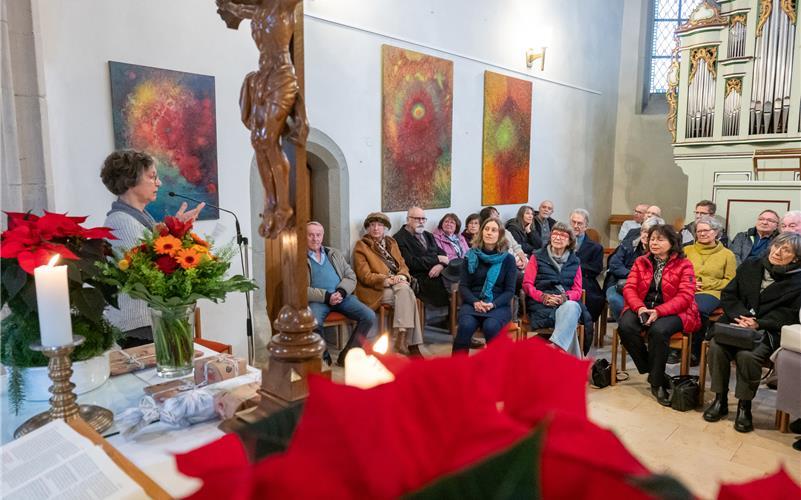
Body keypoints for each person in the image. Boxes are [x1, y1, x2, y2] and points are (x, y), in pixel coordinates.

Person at [216, 0, 308, 238]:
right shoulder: (257, 10)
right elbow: (233, 8)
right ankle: (271, 201)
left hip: (282, 77)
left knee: (268, 139)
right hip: (262, 78)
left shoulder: (283, 6)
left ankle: (284, 206)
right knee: (257, 141)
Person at [100, 150, 204, 347]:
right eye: (152, 177)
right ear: (130, 180)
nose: (159, 183)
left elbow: (154, 248)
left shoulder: (137, 217)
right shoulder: (122, 222)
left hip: (146, 322)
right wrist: (175, 234)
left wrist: (176, 227)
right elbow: (149, 269)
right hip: (137, 326)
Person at [703, 233, 801, 432]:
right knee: (716, 347)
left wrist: (758, 323)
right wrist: (742, 317)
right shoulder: (752, 265)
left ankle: (744, 406)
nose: (777, 252)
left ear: (796, 258)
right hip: (735, 322)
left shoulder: (798, 281)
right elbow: (729, 294)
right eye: (776, 246)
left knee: (748, 355)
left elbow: (790, 314)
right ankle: (720, 399)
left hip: (767, 330)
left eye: (786, 250)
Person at [618, 224, 700, 406]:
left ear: (672, 243)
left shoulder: (684, 264)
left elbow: (685, 296)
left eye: (660, 239)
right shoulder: (641, 261)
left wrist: (659, 311)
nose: (654, 243)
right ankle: (657, 372)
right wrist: (639, 308)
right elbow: (629, 287)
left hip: (674, 310)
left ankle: (656, 384)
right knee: (626, 326)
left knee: (659, 331)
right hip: (644, 306)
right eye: (652, 239)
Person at [306, 221, 376, 366]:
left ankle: (348, 355)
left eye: (318, 235)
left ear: (322, 236)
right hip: (318, 301)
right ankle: (323, 355)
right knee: (313, 322)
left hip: (342, 297)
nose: (315, 238)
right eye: (311, 235)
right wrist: (327, 296)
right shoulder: (300, 259)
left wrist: (341, 292)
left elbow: (351, 276)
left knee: (368, 316)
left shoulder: (333, 253)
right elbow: (301, 289)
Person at [352, 212, 423, 355]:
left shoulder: (391, 242)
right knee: (408, 294)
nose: (376, 228)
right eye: (372, 225)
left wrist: (402, 276)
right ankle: (409, 343)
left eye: (380, 225)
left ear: (385, 228)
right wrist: (387, 279)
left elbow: (402, 264)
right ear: (367, 228)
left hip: (397, 284)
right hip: (375, 289)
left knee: (405, 291)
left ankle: (403, 341)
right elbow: (365, 276)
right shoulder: (361, 246)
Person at [522, 222, 589, 358]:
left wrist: (564, 297)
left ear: (570, 241)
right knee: (569, 326)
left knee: (571, 306)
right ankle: (570, 367)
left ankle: (555, 346)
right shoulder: (537, 256)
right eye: (555, 234)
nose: (558, 238)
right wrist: (543, 297)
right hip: (541, 304)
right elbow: (527, 284)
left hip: (564, 303)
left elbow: (577, 290)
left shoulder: (574, 261)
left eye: (563, 235)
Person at [452, 218, 517, 353]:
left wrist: (492, 304)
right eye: (486, 229)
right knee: (465, 325)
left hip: (497, 304)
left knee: (491, 326)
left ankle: (495, 369)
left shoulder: (508, 259)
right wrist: (475, 302)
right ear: (481, 232)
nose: (489, 233)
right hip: (473, 302)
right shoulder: (470, 256)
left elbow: (510, 291)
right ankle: (457, 369)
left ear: (500, 234)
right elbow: (463, 286)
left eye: (494, 230)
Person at [684, 216, 737, 363]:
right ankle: (676, 348)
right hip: (686, 289)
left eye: (706, 230)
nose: (702, 234)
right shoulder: (686, 250)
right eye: (699, 231)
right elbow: (677, 273)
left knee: (698, 308)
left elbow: (730, 281)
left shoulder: (727, 254)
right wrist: (690, 284)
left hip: (712, 292)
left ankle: (695, 350)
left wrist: (706, 283)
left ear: (716, 232)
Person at [605, 217, 664, 322]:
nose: (645, 235)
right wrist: (634, 275)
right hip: (621, 284)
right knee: (614, 298)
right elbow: (614, 264)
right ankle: (625, 328)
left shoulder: (662, 253)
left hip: (648, 291)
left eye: (649, 232)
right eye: (643, 231)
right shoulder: (629, 243)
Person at [393, 206, 450, 307]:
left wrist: (440, 265)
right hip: (419, 276)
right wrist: (436, 259)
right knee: (448, 284)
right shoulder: (399, 238)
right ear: (408, 219)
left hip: (438, 270)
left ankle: (455, 315)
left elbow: (442, 253)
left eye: (423, 219)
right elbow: (411, 263)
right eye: (417, 219)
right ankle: (447, 318)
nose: (421, 222)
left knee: (460, 275)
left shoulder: (428, 235)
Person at [570, 209, 604, 335]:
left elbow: (596, 269)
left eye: (579, 223)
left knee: (592, 298)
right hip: (563, 278)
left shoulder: (596, 247)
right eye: (573, 222)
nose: (575, 226)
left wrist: (575, 266)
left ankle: (584, 328)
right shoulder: (562, 241)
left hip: (585, 279)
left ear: (586, 226)